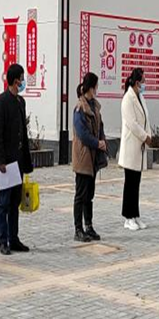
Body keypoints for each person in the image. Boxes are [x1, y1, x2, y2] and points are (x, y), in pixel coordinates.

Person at [0, 63, 34, 255]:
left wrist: (26, 159)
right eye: (22, 78)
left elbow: (22, 133)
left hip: (18, 160)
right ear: (16, 80)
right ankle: (2, 241)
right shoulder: (1, 102)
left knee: (15, 201)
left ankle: (13, 238)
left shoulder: (20, 102)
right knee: (4, 201)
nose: (23, 82)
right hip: (6, 162)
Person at [72, 72, 107, 242]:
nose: (97, 89)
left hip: (93, 157)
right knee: (81, 194)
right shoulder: (80, 108)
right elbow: (82, 134)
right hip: (83, 157)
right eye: (96, 86)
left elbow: (100, 127)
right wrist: (97, 143)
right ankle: (78, 229)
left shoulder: (95, 106)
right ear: (91, 87)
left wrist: (103, 141)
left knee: (89, 195)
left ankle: (89, 226)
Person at [119, 67, 150, 231]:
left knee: (136, 183)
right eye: (143, 81)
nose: (144, 84)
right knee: (129, 183)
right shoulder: (128, 98)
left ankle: (135, 215)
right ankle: (128, 217)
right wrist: (145, 136)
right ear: (137, 82)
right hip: (131, 146)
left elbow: (145, 119)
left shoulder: (140, 97)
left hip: (139, 146)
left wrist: (148, 135)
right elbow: (132, 123)